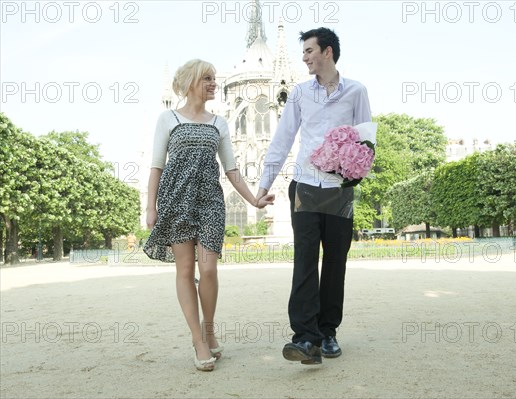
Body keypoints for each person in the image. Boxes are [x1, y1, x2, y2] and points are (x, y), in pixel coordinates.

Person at [143, 59, 274, 372]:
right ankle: (198, 340)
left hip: (210, 201)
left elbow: (232, 171)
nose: (214, 84)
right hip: (175, 199)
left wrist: (254, 200)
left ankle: (209, 328)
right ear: (191, 82)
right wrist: (151, 206)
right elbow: (156, 166)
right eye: (208, 79)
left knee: (210, 268)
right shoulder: (168, 119)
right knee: (185, 270)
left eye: (215, 79)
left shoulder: (219, 123)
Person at [256, 27, 372, 365]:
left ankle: (328, 332)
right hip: (305, 185)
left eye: (309, 51)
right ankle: (305, 339)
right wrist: (263, 188)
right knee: (305, 261)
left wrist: (352, 170)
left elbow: (366, 143)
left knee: (335, 262)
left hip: (339, 190)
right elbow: (282, 140)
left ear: (328, 52)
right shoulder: (299, 94)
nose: (304, 57)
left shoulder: (356, 92)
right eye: (303, 52)